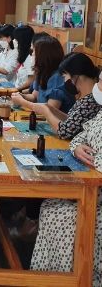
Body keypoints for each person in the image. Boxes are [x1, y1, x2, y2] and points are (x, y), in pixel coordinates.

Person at [30, 73, 102, 286]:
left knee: (60, 215)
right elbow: (81, 135)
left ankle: (73, 279)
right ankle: (51, 278)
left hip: (95, 198)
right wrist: (77, 147)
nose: (98, 85)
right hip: (91, 188)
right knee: (51, 205)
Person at [17, 53, 101, 139]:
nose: (64, 81)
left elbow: (64, 131)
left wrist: (46, 111)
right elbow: (70, 120)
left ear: (75, 76)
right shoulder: (85, 98)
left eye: (64, 76)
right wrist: (49, 108)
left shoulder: (92, 101)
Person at [11, 36, 75, 114]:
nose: (32, 56)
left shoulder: (58, 78)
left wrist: (22, 102)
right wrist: (21, 96)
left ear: (43, 56)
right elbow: (34, 97)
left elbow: (50, 111)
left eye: (34, 53)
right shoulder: (42, 72)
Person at [13, 25, 35, 91]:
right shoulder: (24, 54)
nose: (14, 41)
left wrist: (15, 90)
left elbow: (31, 81)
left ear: (22, 40)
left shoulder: (30, 57)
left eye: (16, 39)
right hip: (16, 87)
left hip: (21, 91)